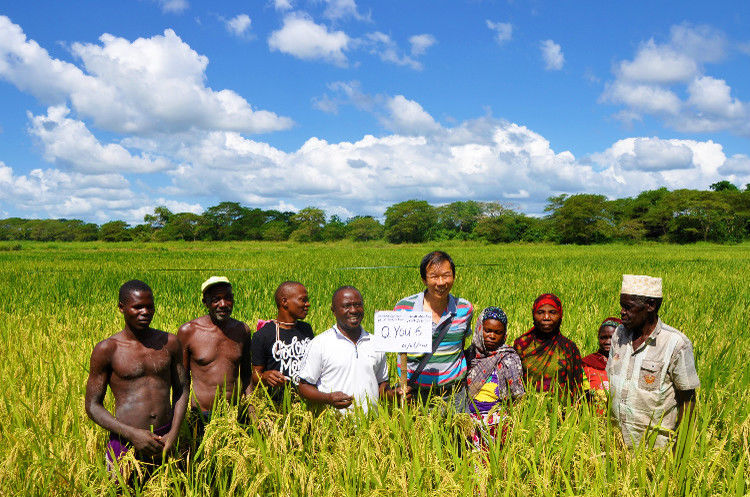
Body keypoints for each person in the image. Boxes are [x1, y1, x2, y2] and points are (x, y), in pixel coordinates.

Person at [85, 280, 188, 476]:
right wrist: (132, 434)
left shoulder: (170, 343)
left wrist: (173, 434)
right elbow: (92, 406)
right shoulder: (108, 349)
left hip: (165, 438)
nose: (145, 312)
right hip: (125, 442)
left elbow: (182, 388)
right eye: (138, 307)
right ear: (121, 308)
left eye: (150, 307)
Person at [608, 275, 700, 448]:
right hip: (617, 444)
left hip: (655, 450)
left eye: (628, 307)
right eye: (621, 306)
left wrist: (680, 450)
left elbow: (688, 400)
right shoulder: (619, 334)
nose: (622, 312)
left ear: (650, 305)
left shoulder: (675, 344)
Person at [394, 251, 474, 411]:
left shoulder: (465, 308)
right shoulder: (404, 308)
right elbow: (398, 347)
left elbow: (461, 345)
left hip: (453, 394)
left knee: (456, 436)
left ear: (453, 277)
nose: (441, 282)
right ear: (424, 279)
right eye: (434, 276)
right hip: (414, 393)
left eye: (446, 275)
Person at [298, 286, 396, 413]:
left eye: (358, 305)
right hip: (334, 427)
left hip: (371, 425)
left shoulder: (375, 343)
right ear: (334, 310)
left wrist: (392, 395)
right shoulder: (320, 343)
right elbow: (304, 386)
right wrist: (328, 398)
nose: (354, 310)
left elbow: (381, 384)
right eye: (346, 306)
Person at [177, 276, 252, 437]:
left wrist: (253, 411)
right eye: (216, 299)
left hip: (234, 415)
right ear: (205, 302)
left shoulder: (242, 331)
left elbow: (246, 375)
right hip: (202, 417)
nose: (223, 304)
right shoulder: (189, 332)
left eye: (228, 298)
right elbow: (182, 381)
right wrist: (178, 420)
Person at [465, 307, 525, 449]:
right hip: (469, 422)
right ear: (480, 329)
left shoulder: (509, 358)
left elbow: (516, 394)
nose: (492, 336)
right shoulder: (468, 356)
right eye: (488, 330)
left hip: (497, 422)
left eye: (498, 332)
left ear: (504, 334)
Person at [513, 293, 588, 401]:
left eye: (552, 312)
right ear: (533, 315)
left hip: (561, 412)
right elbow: (513, 383)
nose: (546, 317)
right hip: (527, 410)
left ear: (560, 315)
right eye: (540, 312)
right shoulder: (523, 345)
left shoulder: (568, 348)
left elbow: (577, 387)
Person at [250, 281, 314, 402]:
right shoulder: (263, 335)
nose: (308, 304)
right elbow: (254, 376)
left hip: (306, 402)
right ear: (284, 302)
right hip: (277, 407)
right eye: (303, 300)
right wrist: (265, 377)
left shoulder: (306, 329)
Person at [583, 317, 621, 392]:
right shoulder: (587, 363)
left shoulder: (627, 363)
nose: (607, 342)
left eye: (612, 337)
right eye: (603, 338)